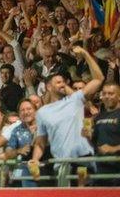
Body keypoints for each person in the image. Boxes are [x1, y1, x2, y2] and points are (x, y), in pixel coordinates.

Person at [29, 46, 104, 185]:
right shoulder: (42, 112)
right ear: (48, 87)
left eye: (63, 81)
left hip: (83, 159)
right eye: (58, 82)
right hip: (62, 164)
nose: (62, 84)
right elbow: (40, 142)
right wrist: (35, 159)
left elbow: (99, 79)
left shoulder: (75, 100)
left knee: (82, 192)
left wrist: (86, 54)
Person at [92, 82, 120, 185]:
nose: (107, 96)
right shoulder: (99, 117)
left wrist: (114, 148)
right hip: (100, 170)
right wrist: (87, 136)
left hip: (117, 171)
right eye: (104, 94)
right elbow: (94, 142)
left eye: (111, 93)